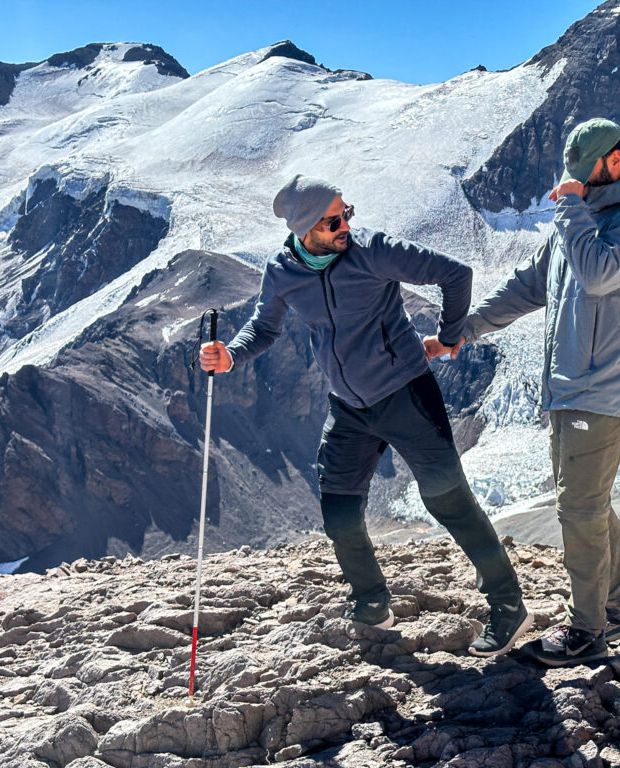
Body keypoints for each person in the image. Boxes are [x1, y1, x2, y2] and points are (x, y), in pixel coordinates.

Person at [199, 174, 531, 657]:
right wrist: (230, 355)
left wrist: (452, 333)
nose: (345, 225)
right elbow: (263, 327)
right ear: (304, 228)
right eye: (334, 220)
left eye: (347, 212)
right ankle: (372, 601)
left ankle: (508, 605)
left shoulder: (371, 250)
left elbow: (455, 274)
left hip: (406, 395)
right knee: (339, 509)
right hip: (349, 407)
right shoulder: (282, 270)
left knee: (449, 502)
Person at [426, 118, 620, 666]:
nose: (575, 185)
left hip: (602, 388)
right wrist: (462, 333)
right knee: (587, 501)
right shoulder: (578, 223)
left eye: (585, 175)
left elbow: (597, 275)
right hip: (571, 387)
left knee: (578, 508)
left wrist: (573, 210)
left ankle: (588, 630)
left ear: (614, 161)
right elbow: (527, 288)